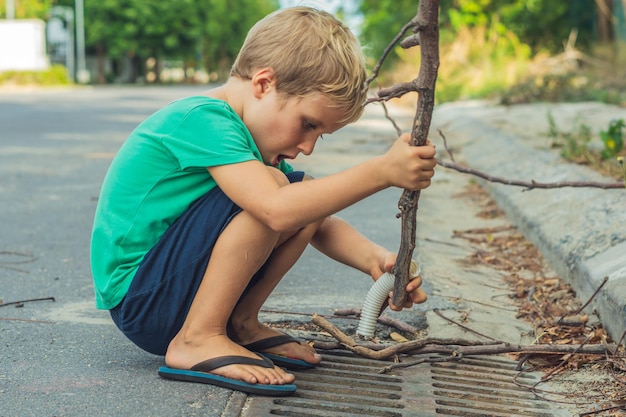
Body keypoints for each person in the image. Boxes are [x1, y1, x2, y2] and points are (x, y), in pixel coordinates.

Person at [90, 6, 436, 396]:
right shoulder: (202, 119)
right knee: (280, 193)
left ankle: (239, 324)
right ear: (263, 84)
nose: (306, 146)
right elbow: (275, 209)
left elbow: (312, 217)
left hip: (168, 293)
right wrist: (380, 172)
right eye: (308, 124)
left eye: (319, 135)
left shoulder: (241, 139)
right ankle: (198, 336)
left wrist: (375, 260)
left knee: (303, 195)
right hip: (142, 299)